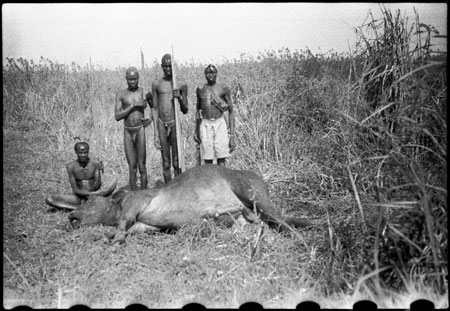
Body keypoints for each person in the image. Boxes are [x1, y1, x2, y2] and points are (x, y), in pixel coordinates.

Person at [45, 142, 116, 211]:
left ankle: (77, 208)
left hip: (94, 197)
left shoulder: (95, 164)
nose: (83, 155)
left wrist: (99, 171)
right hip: (78, 198)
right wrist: (91, 194)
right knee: (49, 199)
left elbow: (96, 187)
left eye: (85, 152)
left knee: (114, 199)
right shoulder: (71, 166)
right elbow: (75, 190)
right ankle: (83, 208)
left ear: (88, 151)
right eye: (80, 153)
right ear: (76, 152)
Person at [151, 54, 188, 183]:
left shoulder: (181, 85)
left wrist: (180, 98)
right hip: (162, 124)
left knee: (177, 161)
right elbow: (155, 109)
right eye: (165, 66)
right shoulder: (157, 84)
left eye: (170, 66)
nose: (168, 69)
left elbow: (185, 110)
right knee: (166, 162)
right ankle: (168, 188)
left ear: (174, 66)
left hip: (175, 123)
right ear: (161, 66)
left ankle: (177, 188)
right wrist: (155, 134)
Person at [115, 67, 152, 190]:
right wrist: (132, 106)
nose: (133, 82)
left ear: (138, 78)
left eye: (135, 79)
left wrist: (150, 119)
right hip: (128, 130)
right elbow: (117, 116)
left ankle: (144, 194)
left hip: (140, 129)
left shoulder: (143, 91)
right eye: (130, 79)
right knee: (132, 166)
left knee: (142, 165)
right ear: (126, 79)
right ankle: (133, 196)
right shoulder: (121, 94)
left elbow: (154, 107)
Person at [195, 64, 235, 166]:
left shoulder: (223, 88)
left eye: (212, 73)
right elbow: (197, 110)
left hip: (219, 124)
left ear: (216, 74)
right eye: (208, 73)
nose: (210, 75)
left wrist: (232, 135)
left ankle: (221, 179)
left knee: (221, 158)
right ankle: (210, 181)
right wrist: (196, 130)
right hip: (205, 124)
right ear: (205, 74)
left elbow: (231, 111)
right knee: (207, 158)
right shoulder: (200, 89)